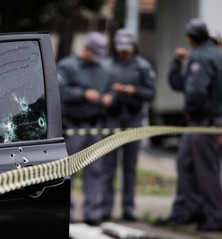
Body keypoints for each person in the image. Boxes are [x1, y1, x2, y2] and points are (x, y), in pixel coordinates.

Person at [163, 18, 222, 231]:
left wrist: (194, 111)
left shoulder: (202, 57)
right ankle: (190, 209)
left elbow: (195, 93)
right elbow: (182, 85)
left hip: (203, 121)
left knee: (206, 170)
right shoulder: (212, 54)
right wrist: (176, 62)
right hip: (201, 122)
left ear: (190, 38)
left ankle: (215, 216)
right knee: (185, 163)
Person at [57, 32, 113, 225]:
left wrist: (109, 97)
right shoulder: (67, 66)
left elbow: (110, 88)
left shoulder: (102, 68)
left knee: (95, 170)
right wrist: (83, 94)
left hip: (95, 125)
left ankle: (92, 213)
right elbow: (59, 90)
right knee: (67, 170)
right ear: (86, 49)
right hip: (73, 125)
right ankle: (67, 214)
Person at [100, 28, 156, 221]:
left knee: (130, 166)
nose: (124, 52)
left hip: (133, 118)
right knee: (108, 166)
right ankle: (105, 207)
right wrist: (111, 95)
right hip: (112, 119)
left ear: (134, 47)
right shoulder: (106, 65)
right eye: (121, 48)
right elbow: (102, 91)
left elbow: (151, 93)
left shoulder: (142, 66)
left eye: (127, 48)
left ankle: (129, 207)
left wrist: (133, 91)